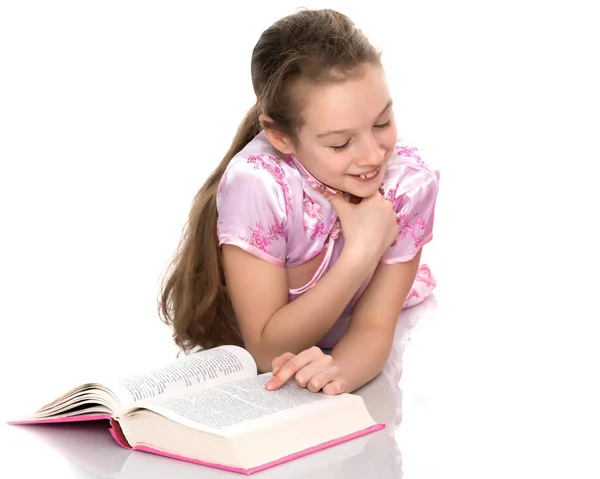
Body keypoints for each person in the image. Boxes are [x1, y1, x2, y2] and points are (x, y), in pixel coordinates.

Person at [159, 8, 439, 396]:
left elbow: (375, 327)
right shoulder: (259, 184)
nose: (374, 156)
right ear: (281, 137)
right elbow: (267, 350)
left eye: (381, 123)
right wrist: (361, 252)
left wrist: (339, 371)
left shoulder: (408, 183)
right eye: (341, 143)